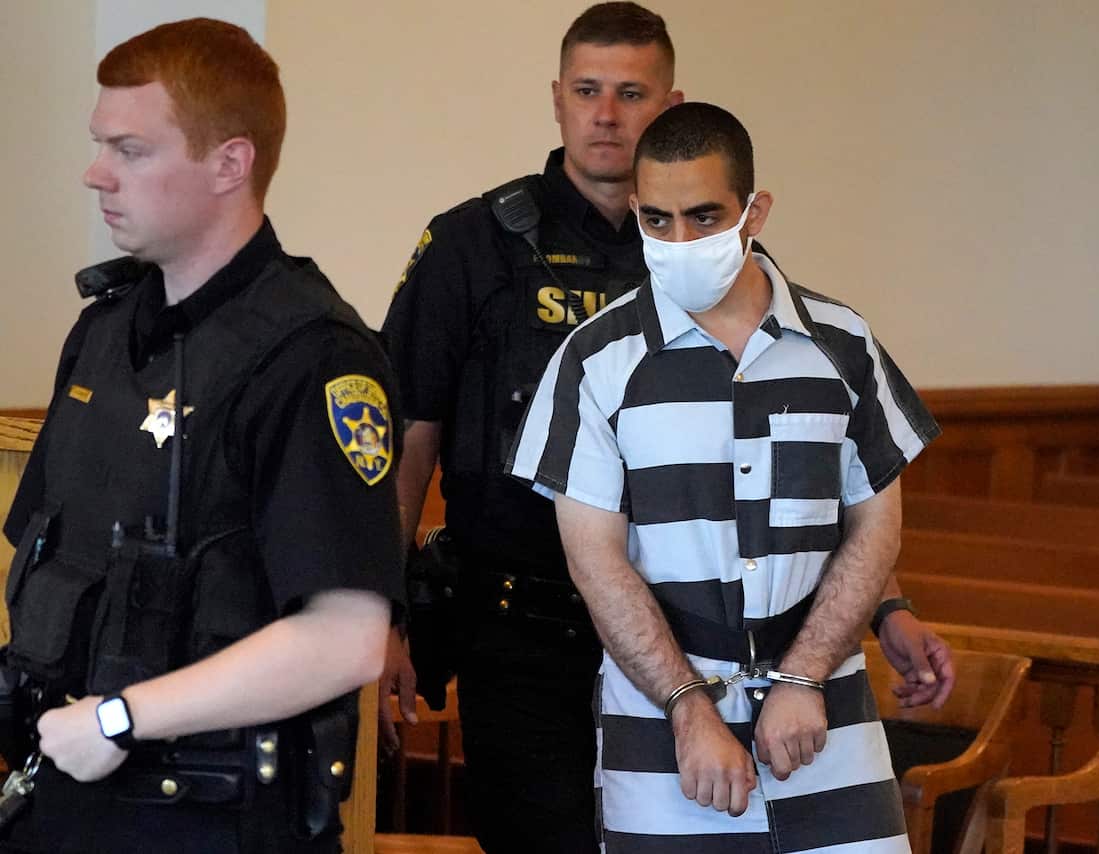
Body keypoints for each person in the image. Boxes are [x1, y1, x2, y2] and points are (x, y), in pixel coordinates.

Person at [381, 5, 951, 851]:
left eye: (630, 92)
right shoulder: (478, 248)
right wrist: (382, 613)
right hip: (526, 628)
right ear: (558, 99)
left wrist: (886, 607)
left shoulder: (759, 291)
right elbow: (406, 442)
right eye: (586, 91)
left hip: (708, 641)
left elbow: (797, 476)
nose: (606, 114)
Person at [1, 18, 402, 854]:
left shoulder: (314, 358)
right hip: (66, 795)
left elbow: (348, 638)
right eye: (98, 144)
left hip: (212, 815)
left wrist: (120, 716)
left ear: (230, 161)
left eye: (131, 149)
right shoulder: (105, 332)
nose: (95, 174)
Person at [508, 101, 938, 851]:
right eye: (659, 221)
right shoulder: (594, 361)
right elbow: (594, 559)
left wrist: (803, 678)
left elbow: (876, 527)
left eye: (705, 217)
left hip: (827, 717)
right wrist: (688, 707)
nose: (680, 241)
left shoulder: (842, 344)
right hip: (663, 726)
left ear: (754, 211)